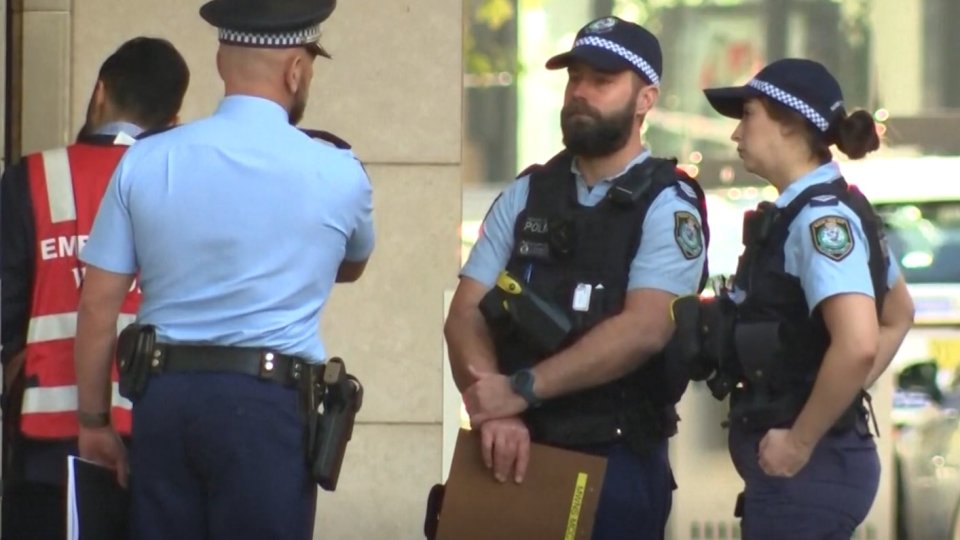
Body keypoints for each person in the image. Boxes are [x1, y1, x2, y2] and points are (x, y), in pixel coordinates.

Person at [72, 0, 374, 538]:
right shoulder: (338, 171)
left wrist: (94, 422)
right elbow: (351, 263)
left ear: (219, 62)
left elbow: (98, 304)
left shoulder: (145, 160)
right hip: (269, 410)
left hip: (165, 402)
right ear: (296, 69)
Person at [444, 16, 708, 540]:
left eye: (602, 81)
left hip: (615, 460)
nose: (581, 93)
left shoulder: (667, 205)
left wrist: (520, 391)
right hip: (514, 450)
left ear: (645, 99)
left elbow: (644, 330)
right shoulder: (527, 194)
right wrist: (496, 413)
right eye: (575, 78)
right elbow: (465, 313)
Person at [700, 58, 915, 539]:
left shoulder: (820, 221)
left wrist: (801, 439)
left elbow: (859, 342)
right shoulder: (823, 209)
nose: (736, 134)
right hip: (815, 470)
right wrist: (834, 394)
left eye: (748, 114)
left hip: (808, 473)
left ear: (791, 123)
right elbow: (898, 314)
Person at [0, 36, 189, 540]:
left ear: (100, 92)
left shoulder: (32, 177)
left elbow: (5, 302)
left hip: (50, 446)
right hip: (160, 435)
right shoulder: (183, 183)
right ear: (173, 122)